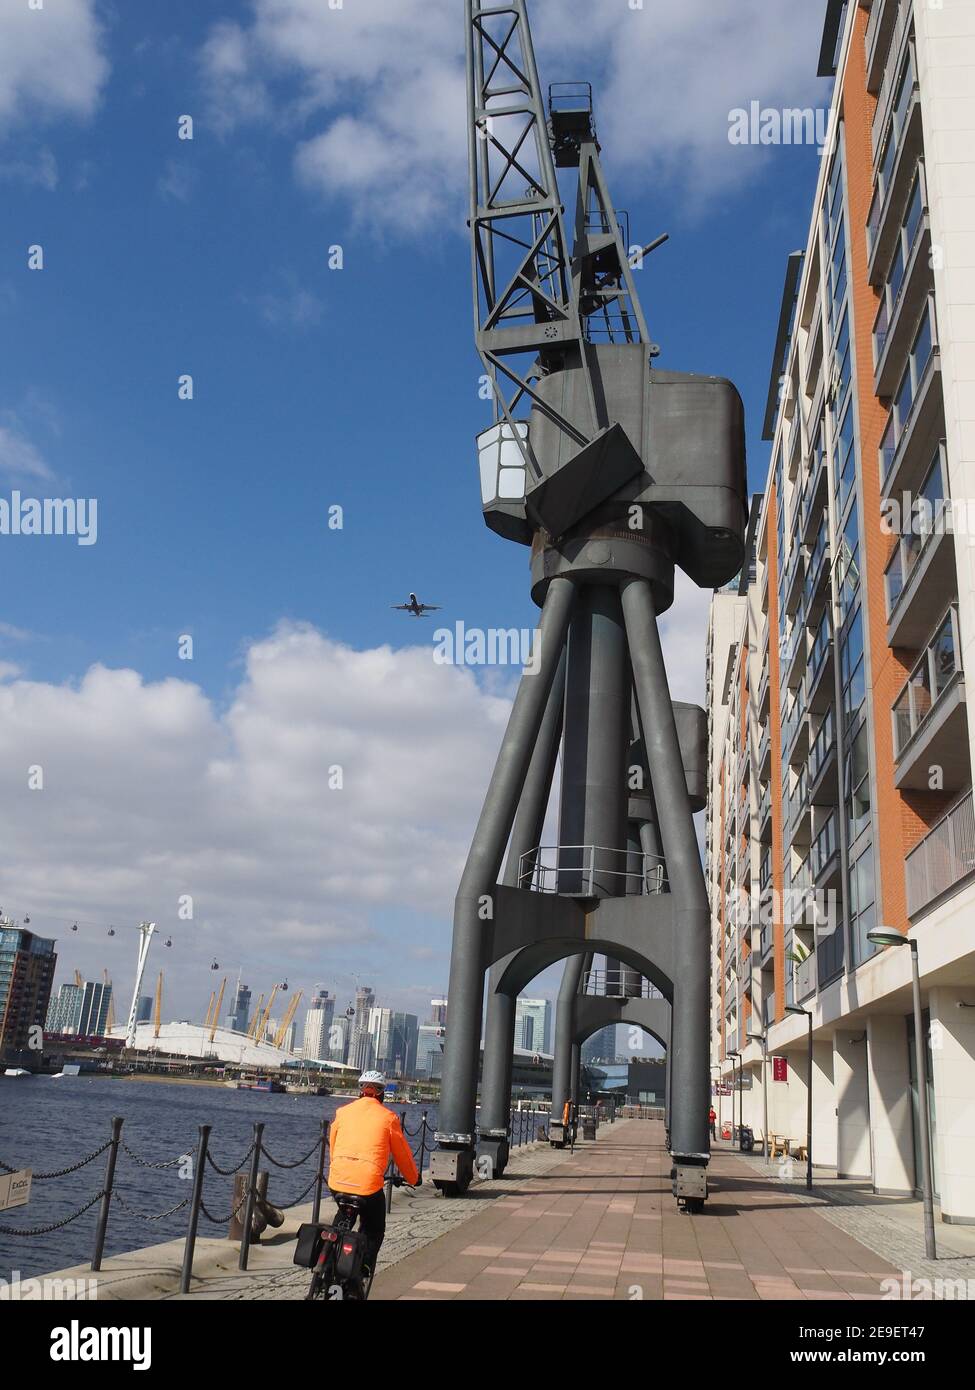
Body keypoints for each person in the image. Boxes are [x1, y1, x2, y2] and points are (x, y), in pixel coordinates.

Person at [328, 1071, 419, 1285]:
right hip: (367, 1184)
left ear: (361, 1091)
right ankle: (364, 1268)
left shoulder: (343, 1112)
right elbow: (403, 1156)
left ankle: (328, 1257)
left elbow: (333, 1144)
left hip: (337, 1178)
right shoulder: (388, 1118)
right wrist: (414, 1179)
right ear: (382, 1093)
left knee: (343, 1216)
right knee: (374, 1228)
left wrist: (339, 1166)